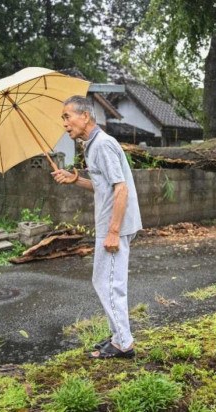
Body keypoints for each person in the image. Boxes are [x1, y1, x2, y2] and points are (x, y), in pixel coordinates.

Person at [52, 95, 142, 359]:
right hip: (110, 223)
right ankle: (118, 337)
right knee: (104, 280)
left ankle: (124, 344)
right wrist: (75, 179)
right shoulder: (91, 146)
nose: (65, 124)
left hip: (116, 225)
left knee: (108, 283)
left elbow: (121, 188)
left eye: (67, 116)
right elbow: (103, 185)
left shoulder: (102, 145)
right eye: (63, 119)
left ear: (86, 116)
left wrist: (113, 231)